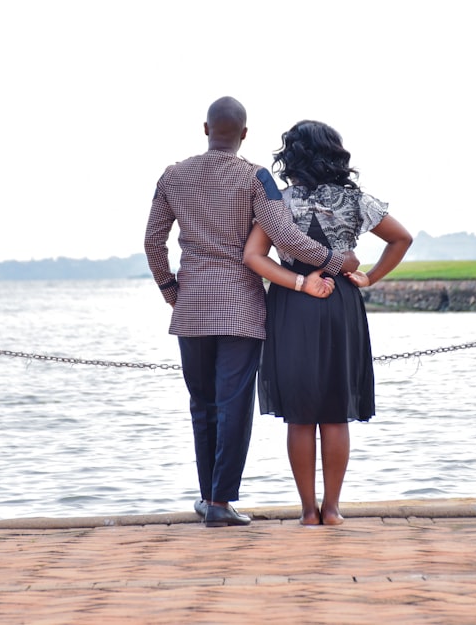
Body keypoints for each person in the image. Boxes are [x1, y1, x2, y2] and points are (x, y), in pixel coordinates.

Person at [143, 98, 359, 528]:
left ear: (206, 128)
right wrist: (334, 260)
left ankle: (208, 497)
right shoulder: (255, 176)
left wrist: (170, 288)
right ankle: (221, 502)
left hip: (192, 308)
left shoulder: (172, 176)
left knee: (201, 405)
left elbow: (153, 241)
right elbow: (284, 236)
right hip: (241, 309)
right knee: (233, 405)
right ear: (244, 134)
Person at [242, 120, 412, 526]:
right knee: (335, 411)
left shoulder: (278, 202)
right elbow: (401, 238)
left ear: (292, 155)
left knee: (300, 413)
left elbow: (255, 256)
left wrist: (299, 282)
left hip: (293, 302)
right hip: (341, 302)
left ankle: (307, 512)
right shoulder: (356, 201)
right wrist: (369, 277)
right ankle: (332, 509)